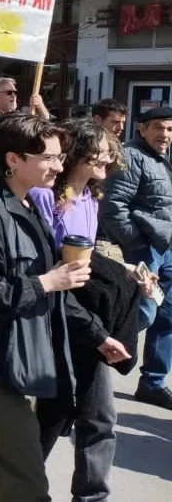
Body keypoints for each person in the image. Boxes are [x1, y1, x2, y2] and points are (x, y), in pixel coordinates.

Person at [0, 118, 136, 499]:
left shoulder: (31, 209)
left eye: (60, 157)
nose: (58, 166)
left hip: (21, 360)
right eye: (49, 158)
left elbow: (57, 295)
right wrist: (45, 282)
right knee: (26, 484)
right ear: (14, 159)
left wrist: (98, 336)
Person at [100, 106, 172, 410]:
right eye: (158, 127)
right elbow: (113, 207)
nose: (165, 134)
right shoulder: (131, 157)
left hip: (166, 248)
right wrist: (136, 245)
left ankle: (153, 384)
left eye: (170, 129)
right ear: (142, 129)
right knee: (143, 313)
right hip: (144, 249)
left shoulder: (164, 157)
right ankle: (90, 355)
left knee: (168, 317)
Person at [0, 77, 51, 191]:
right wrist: (9, 166)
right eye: (9, 92)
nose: (13, 96)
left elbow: (46, 128)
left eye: (15, 92)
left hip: (17, 178)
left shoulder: (19, 118)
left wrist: (41, 107)